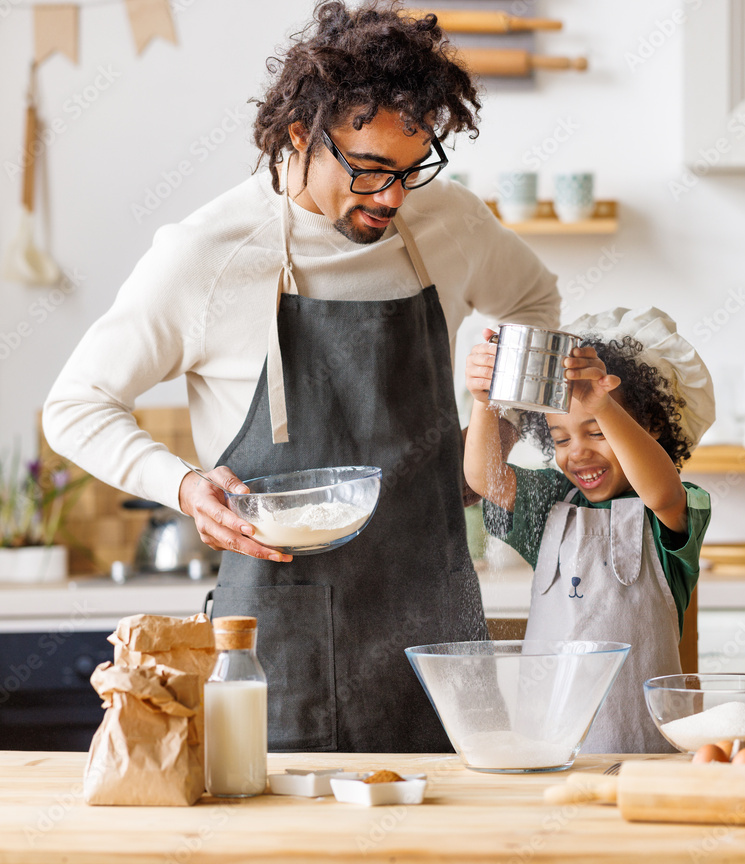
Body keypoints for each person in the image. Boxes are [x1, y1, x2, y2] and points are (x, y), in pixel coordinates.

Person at [42, 1, 560, 753]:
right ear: (300, 135)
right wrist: (184, 486)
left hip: (437, 622)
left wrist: (498, 428)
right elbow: (76, 405)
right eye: (371, 170)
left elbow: (536, 299)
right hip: (278, 640)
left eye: (411, 170)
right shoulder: (207, 254)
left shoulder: (448, 221)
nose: (390, 198)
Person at [463, 307, 715, 753]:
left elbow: (661, 492)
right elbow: (485, 479)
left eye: (596, 432)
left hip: (645, 755)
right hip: (549, 752)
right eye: (560, 439)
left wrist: (601, 402)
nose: (576, 453)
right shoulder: (551, 503)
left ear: (650, 428)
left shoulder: (673, 507)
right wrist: (485, 402)